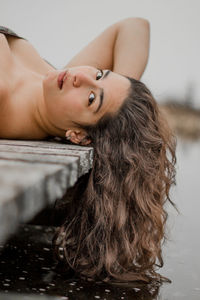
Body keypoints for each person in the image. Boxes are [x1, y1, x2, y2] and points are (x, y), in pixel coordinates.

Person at [0, 18, 176, 283]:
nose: (80, 76)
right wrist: (122, 106)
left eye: (92, 99)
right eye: (100, 74)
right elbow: (133, 26)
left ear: (79, 136)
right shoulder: (59, 87)